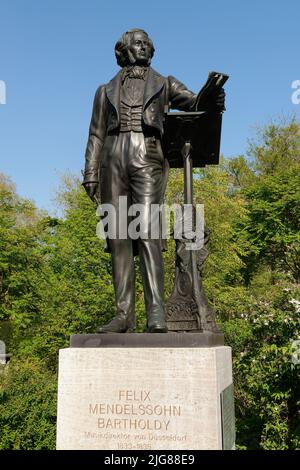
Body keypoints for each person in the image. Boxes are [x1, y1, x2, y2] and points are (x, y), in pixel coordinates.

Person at [82, 29, 225, 333]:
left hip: (147, 156)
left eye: (147, 43)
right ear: (124, 50)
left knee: (148, 231)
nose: (144, 46)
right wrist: (91, 172)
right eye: (138, 43)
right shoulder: (104, 90)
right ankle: (124, 315)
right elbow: (95, 133)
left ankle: (156, 313)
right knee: (119, 236)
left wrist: (211, 95)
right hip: (112, 157)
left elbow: (194, 102)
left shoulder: (164, 83)